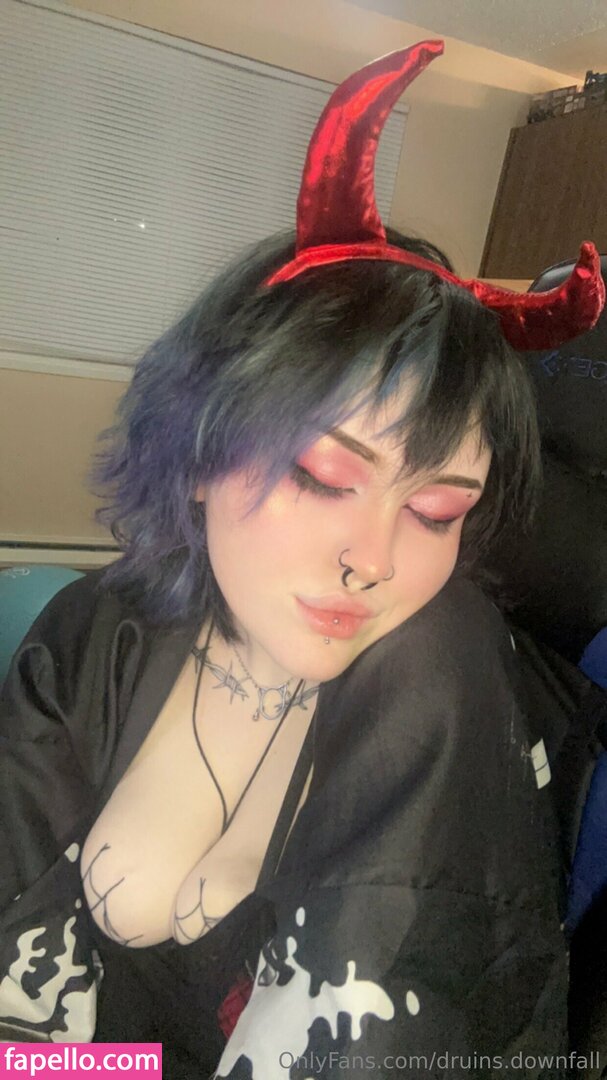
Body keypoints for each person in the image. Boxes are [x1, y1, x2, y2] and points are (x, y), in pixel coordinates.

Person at [0, 39, 604, 1080]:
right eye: (324, 477)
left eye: (435, 510)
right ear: (198, 453)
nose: (372, 559)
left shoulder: (436, 681)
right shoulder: (96, 628)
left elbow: (401, 1027)